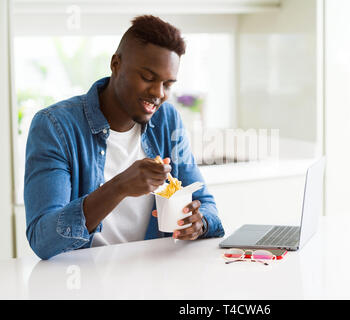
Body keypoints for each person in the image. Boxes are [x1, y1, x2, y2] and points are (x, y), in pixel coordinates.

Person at [24, 15, 225, 260]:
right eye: (148, 78)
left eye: (168, 84)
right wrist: (119, 187)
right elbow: (43, 239)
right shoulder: (55, 127)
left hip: (154, 277)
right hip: (81, 282)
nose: (158, 94)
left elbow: (205, 203)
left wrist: (198, 222)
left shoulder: (167, 119)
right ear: (116, 64)